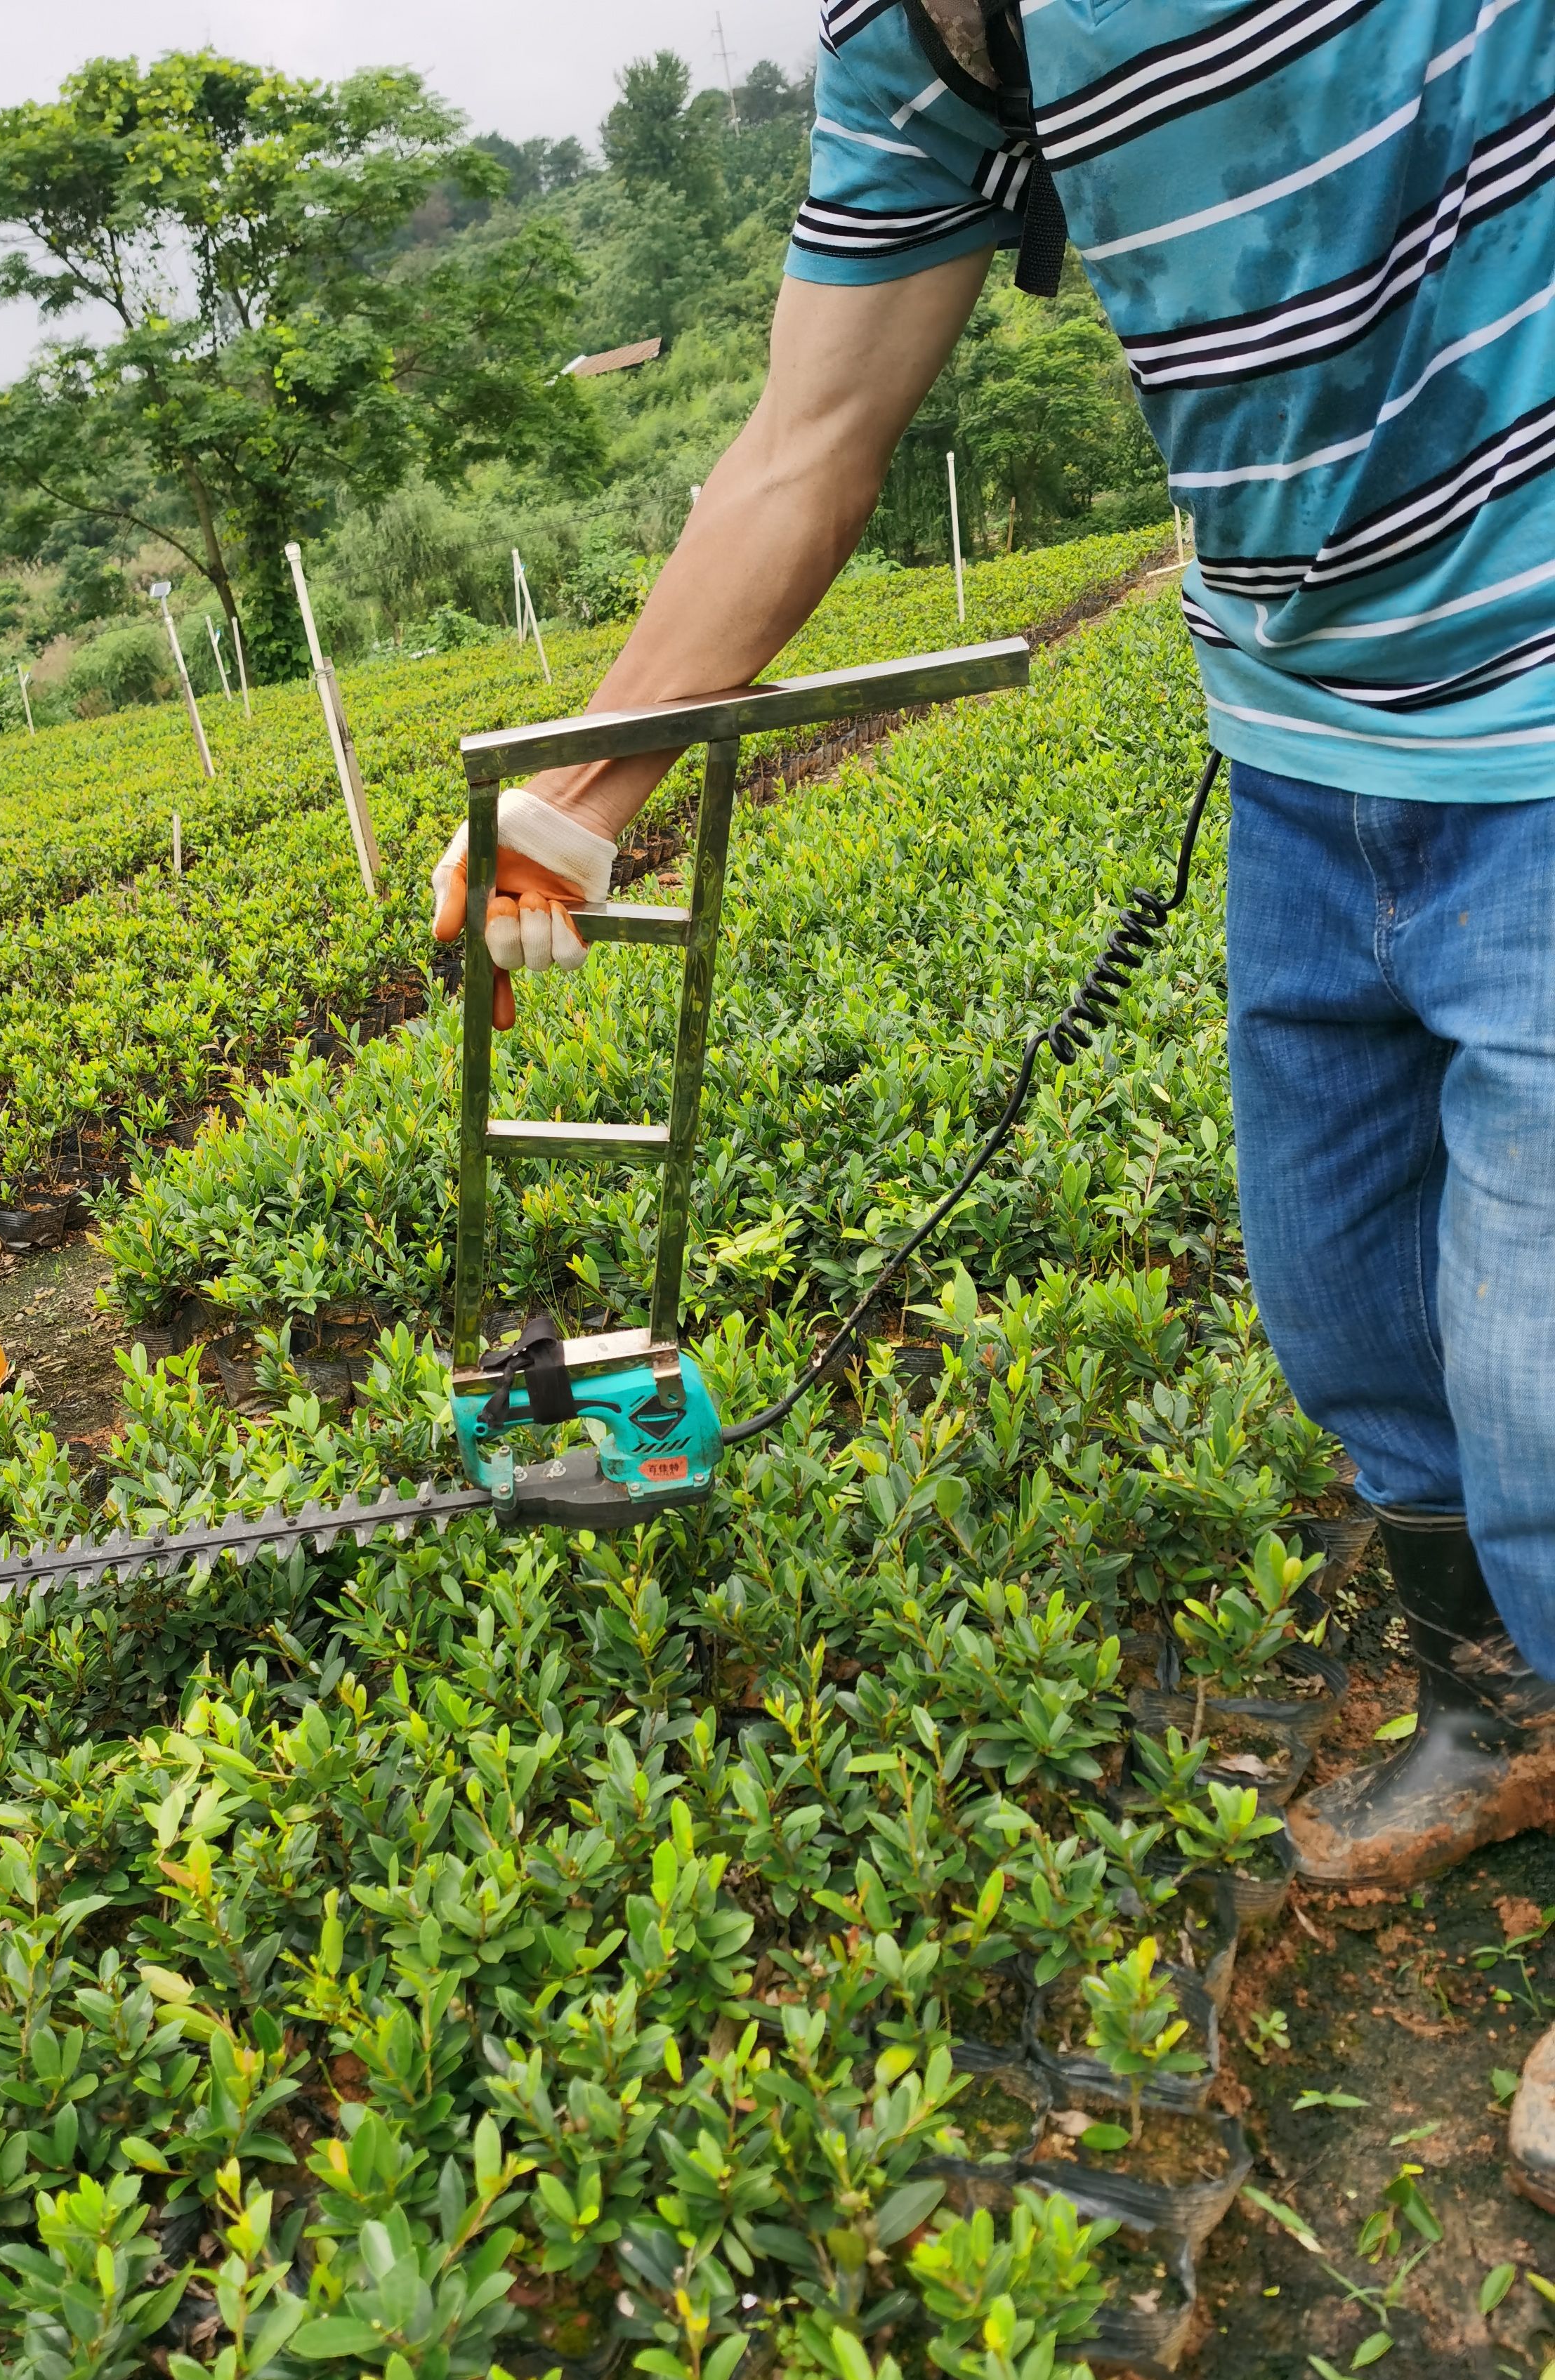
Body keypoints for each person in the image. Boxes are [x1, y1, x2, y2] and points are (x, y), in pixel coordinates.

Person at [432, 0, 1555, 2204]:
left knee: (1547, 1382)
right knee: (1349, 1315)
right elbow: (803, 434)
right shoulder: (942, 23)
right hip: (1308, 753)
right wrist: (578, 798)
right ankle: (1498, 1713)